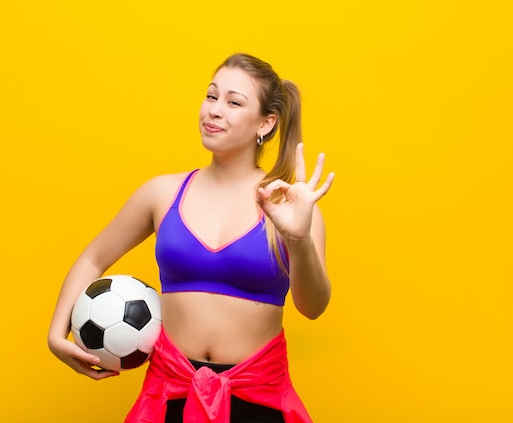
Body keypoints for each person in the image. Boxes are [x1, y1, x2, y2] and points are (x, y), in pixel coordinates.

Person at [48, 53, 335, 423]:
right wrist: (57, 334)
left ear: (266, 123)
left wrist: (298, 240)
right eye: (211, 96)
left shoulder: (292, 208)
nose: (214, 110)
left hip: (257, 398)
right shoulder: (161, 193)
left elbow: (313, 307)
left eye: (233, 102)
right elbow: (93, 258)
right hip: (170, 395)